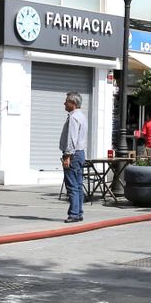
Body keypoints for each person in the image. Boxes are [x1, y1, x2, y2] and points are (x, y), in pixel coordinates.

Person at [59, 91, 87, 223]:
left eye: (67, 101)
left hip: (73, 154)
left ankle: (74, 213)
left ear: (73, 104)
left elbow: (72, 139)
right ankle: (78, 212)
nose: (64, 103)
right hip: (80, 153)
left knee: (72, 185)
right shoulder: (81, 116)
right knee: (78, 184)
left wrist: (67, 156)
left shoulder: (74, 118)